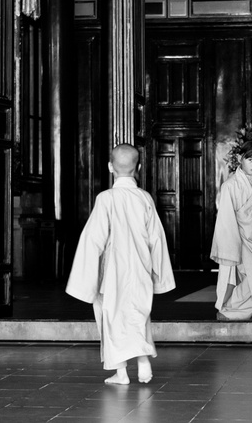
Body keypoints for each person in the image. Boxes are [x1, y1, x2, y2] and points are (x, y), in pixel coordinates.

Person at [66, 144, 176, 385]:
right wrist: (160, 275)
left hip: (112, 272)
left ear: (109, 167)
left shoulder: (105, 198)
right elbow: (156, 238)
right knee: (139, 314)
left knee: (111, 318)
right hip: (140, 269)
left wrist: (85, 279)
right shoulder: (145, 198)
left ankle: (122, 372)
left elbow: (93, 239)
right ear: (138, 168)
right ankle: (143, 360)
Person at [210, 140, 252, 320]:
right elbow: (225, 219)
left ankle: (233, 311)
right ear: (240, 158)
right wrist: (230, 246)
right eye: (251, 160)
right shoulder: (230, 185)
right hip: (240, 239)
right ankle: (233, 308)